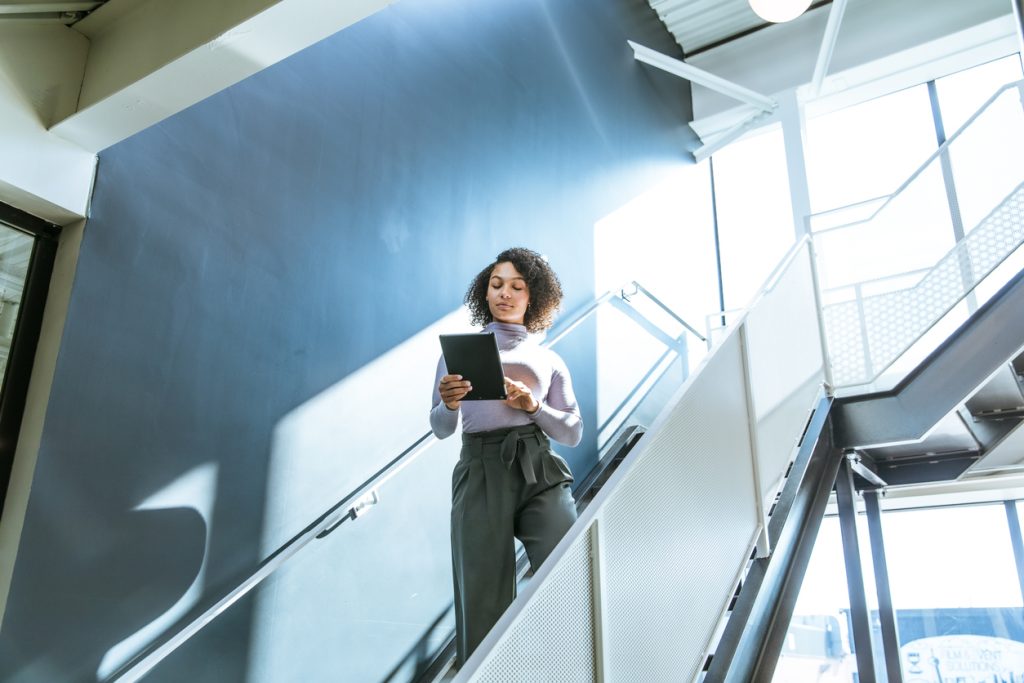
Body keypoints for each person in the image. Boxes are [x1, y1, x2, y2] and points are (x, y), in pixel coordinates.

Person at [430, 247, 583, 666]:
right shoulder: (457, 353)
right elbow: (442, 428)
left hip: (537, 465)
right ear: (485, 292)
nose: (505, 293)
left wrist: (534, 407)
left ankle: (563, 666)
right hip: (478, 468)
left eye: (517, 286)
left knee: (567, 566)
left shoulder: (548, 359)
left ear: (534, 297)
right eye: (497, 284)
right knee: (481, 595)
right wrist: (449, 405)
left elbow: (572, 430)